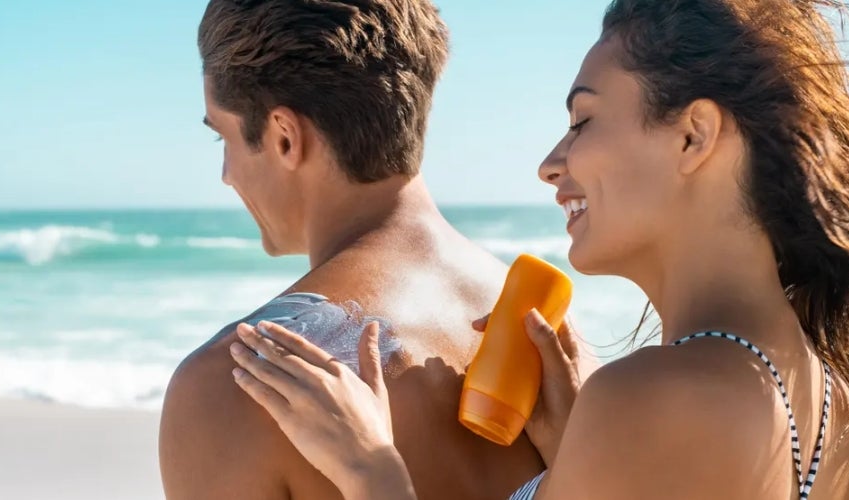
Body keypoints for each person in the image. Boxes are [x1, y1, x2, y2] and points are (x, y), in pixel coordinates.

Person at [226, 0, 849, 498]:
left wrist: (370, 467)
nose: (551, 163)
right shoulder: (844, 411)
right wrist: (581, 448)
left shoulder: (645, 398)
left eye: (582, 120)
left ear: (692, 137)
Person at [158, 1, 595, 499]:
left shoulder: (235, 385)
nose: (226, 174)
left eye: (224, 138)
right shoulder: (545, 332)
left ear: (284, 137)